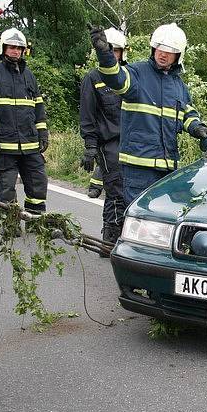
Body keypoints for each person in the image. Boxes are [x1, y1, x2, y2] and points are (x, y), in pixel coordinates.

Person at [88, 22, 207, 206]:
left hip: (166, 168)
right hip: (138, 167)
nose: (163, 54)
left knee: (162, 220)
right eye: (159, 48)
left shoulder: (178, 85)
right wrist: (105, 54)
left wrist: (198, 128)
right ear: (153, 48)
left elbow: (187, 113)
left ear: (178, 55)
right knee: (138, 219)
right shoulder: (137, 73)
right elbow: (115, 78)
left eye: (169, 50)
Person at [0, 28, 49, 235]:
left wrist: (42, 133)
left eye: (19, 48)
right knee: (7, 188)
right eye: (12, 47)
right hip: (5, 145)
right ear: (3, 49)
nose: (16, 51)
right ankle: (10, 225)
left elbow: (38, 107)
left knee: (38, 184)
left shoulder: (29, 76)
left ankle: (35, 222)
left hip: (30, 144)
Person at [79, 27, 127, 252]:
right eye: (109, 50)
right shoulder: (93, 79)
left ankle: (123, 237)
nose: (113, 55)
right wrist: (90, 146)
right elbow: (87, 115)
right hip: (108, 144)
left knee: (126, 191)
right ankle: (110, 238)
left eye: (116, 51)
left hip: (132, 144)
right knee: (116, 192)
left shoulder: (129, 76)